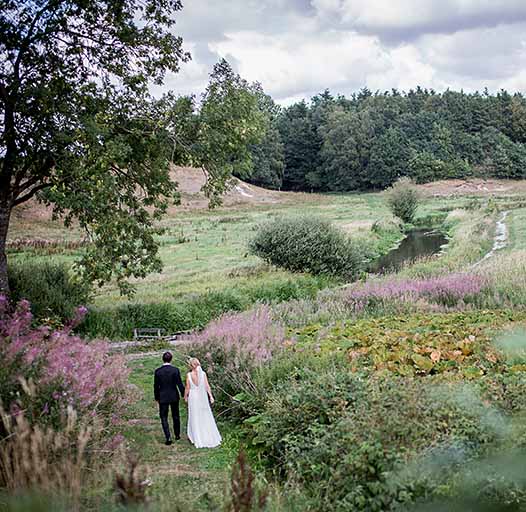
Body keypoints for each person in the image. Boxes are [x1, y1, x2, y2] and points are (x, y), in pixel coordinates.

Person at [184, 357, 222, 448]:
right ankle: (207, 435)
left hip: (193, 397)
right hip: (202, 397)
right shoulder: (203, 374)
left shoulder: (189, 375)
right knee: (204, 415)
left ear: (191, 365)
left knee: (194, 416)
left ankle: (196, 436)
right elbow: (207, 386)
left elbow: (187, 388)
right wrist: (210, 396)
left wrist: (185, 396)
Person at [154, 351, 185, 445]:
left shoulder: (158, 371)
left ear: (162, 359)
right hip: (174, 395)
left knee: (164, 417)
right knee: (176, 415)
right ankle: (177, 434)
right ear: (171, 359)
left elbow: (156, 386)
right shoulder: (175, 370)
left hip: (162, 396)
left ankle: (168, 437)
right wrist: (184, 394)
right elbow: (179, 383)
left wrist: (156, 397)